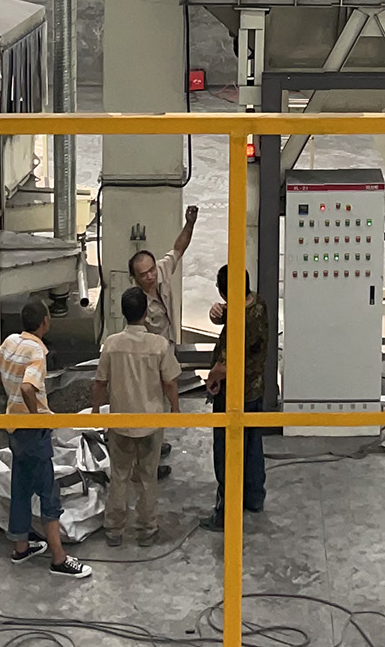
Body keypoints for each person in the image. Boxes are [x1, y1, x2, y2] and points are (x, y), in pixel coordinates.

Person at [0, 298, 90, 578]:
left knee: (21, 486)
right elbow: (29, 388)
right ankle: (59, 559)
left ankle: (21, 547)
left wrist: (8, 387)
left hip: (14, 428)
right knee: (48, 492)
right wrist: (35, 416)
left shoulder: (11, 341)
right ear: (45, 322)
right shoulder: (37, 351)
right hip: (32, 431)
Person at [91, 286, 180, 544]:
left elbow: (100, 382)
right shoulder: (159, 345)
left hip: (119, 424)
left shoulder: (111, 344)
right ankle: (146, 530)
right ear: (145, 313)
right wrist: (175, 409)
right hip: (151, 423)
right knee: (147, 478)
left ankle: (114, 530)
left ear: (123, 313)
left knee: (119, 476)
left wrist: (96, 411)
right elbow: (170, 382)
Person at [200, 264, 267, 529]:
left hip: (233, 395)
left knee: (227, 452)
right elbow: (231, 314)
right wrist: (218, 313)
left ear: (223, 291)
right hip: (255, 389)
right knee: (252, 446)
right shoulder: (257, 304)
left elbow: (225, 366)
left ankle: (225, 512)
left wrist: (212, 380)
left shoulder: (242, 319)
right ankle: (254, 498)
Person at [126, 205, 198, 348]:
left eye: (151, 270)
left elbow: (178, 250)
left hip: (170, 345)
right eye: (143, 275)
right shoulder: (136, 302)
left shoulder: (161, 270)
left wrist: (189, 224)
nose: (150, 276)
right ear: (134, 277)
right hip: (151, 352)